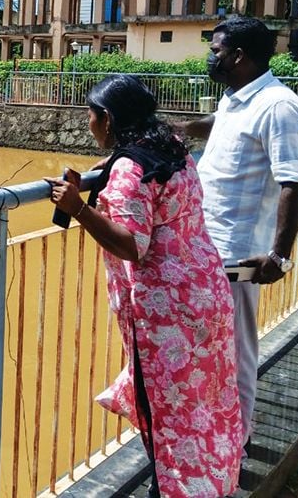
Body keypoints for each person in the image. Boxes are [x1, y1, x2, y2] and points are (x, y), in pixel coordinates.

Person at [47, 75, 241, 498]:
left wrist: (77, 206)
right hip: (205, 291)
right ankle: (215, 479)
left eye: (91, 114)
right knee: (205, 399)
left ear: (109, 118)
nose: (89, 122)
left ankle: (176, 489)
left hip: (168, 312)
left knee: (169, 409)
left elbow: (133, 245)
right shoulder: (173, 149)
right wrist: (108, 171)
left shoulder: (130, 169)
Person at [185, 17, 298, 462]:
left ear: (238, 56)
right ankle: (211, 433)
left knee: (235, 352)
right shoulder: (238, 98)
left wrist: (280, 255)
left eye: (216, 50)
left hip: (240, 255)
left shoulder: (278, 105)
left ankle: (234, 448)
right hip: (209, 250)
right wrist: (180, 131)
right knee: (211, 348)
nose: (211, 57)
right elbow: (217, 123)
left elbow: (294, 182)